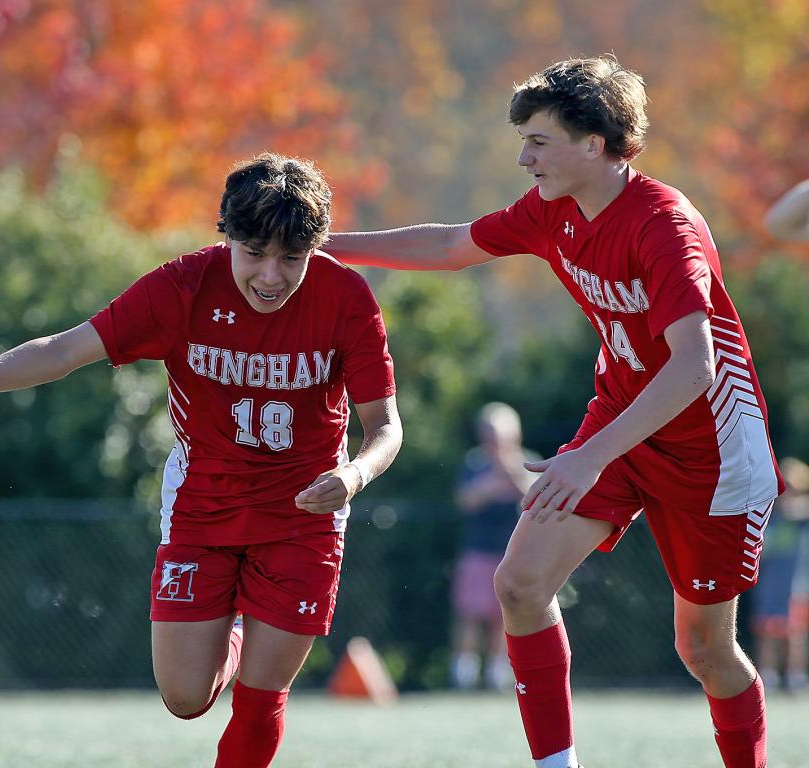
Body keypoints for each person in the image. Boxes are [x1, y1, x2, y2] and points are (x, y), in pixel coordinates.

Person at [326, 56, 782, 768]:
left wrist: (590, 455)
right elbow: (452, 246)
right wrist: (324, 248)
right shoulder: (551, 213)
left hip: (711, 452)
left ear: (594, 144)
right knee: (519, 583)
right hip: (621, 424)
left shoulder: (665, 226)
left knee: (705, 650)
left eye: (538, 140)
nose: (522, 156)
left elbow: (697, 368)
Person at [0, 152, 402, 768]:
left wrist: (354, 474)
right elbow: (64, 350)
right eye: (255, 252)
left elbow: (385, 427)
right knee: (185, 697)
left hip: (304, 512)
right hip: (204, 504)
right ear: (224, 235)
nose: (272, 275)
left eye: (292, 258)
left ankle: (257, 649)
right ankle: (242, 633)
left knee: (260, 696)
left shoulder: (346, 296)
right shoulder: (181, 288)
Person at [450, 402, 530, 691]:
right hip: (478, 550)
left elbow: (536, 499)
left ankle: (498, 674)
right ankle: (463, 675)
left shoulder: (527, 461)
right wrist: (490, 484)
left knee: (503, 616)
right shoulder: (474, 464)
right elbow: (465, 501)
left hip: (512, 554)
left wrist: (512, 474)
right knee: (470, 612)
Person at [750, 457, 809, 692]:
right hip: (771, 585)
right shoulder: (770, 516)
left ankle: (795, 677)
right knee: (766, 630)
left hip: (796, 585)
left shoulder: (802, 518)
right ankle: (768, 677)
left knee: (794, 632)